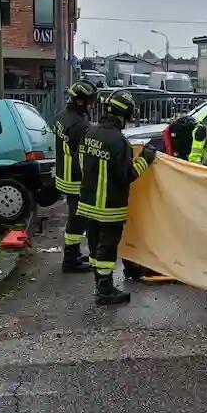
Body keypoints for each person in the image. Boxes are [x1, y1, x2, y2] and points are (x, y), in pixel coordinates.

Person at [77, 89, 156, 305]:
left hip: (88, 202)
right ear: (124, 115)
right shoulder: (119, 142)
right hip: (110, 205)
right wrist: (146, 159)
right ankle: (105, 291)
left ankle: (99, 284)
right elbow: (127, 175)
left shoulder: (90, 134)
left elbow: (81, 165)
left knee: (94, 245)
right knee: (108, 246)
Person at [53, 79, 99, 273]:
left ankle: (73, 254)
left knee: (74, 217)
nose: (92, 105)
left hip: (64, 174)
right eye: (90, 101)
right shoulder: (79, 126)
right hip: (75, 180)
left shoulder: (61, 117)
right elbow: (83, 156)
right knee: (77, 219)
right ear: (80, 101)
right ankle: (70, 260)